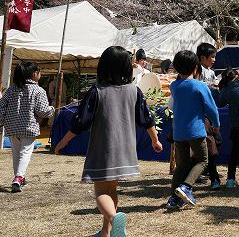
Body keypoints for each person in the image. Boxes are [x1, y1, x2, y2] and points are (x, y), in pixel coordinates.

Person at [54, 46, 163, 237]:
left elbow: (81, 121)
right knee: (111, 190)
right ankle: (107, 232)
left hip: (104, 149)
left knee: (101, 192)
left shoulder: (97, 91)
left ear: (103, 67)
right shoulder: (135, 91)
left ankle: (113, 219)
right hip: (126, 150)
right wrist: (155, 139)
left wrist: (63, 141)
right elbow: (146, 118)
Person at [166, 50, 220, 209]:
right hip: (196, 130)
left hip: (179, 132)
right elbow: (212, 109)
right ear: (196, 66)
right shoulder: (200, 86)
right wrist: (216, 124)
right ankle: (186, 187)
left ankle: (173, 199)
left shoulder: (174, 85)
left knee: (182, 165)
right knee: (203, 160)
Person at [0, 62, 55, 193]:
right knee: (25, 153)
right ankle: (18, 178)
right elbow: (42, 111)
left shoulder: (11, 89)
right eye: (39, 71)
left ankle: (19, 178)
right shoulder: (38, 90)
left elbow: (1, 108)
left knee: (16, 153)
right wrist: (51, 109)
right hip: (28, 126)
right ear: (34, 74)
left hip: (12, 127)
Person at [196, 42, 222, 190]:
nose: (214, 60)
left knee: (213, 143)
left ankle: (207, 172)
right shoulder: (198, 70)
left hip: (210, 112)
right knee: (209, 144)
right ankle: (212, 176)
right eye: (212, 57)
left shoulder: (211, 72)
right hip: (202, 114)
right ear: (202, 58)